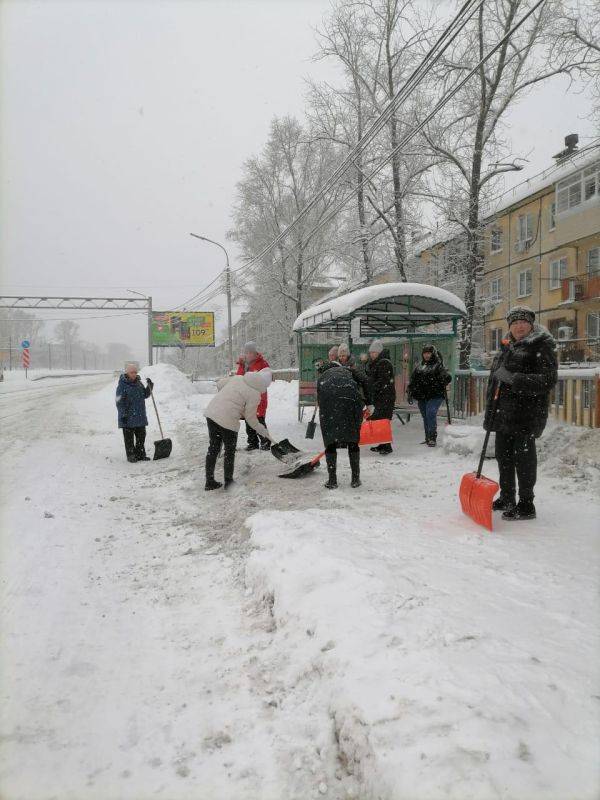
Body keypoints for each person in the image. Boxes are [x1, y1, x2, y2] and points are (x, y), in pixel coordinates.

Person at [484, 306, 558, 521]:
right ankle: (507, 497)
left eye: (523, 322)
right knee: (503, 458)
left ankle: (526, 504)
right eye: (515, 323)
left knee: (524, 460)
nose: (519, 326)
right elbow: (496, 382)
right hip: (503, 415)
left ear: (531, 324)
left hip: (526, 415)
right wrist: (491, 413)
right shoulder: (506, 346)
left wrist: (514, 378)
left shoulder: (541, 346)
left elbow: (548, 380)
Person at [203, 368, 273, 490]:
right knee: (229, 451)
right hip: (228, 419)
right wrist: (262, 431)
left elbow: (220, 384)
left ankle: (209, 481)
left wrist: (228, 399)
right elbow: (251, 420)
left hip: (212, 413)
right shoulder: (255, 394)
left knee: (213, 448)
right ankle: (228, 482)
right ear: (263, 385)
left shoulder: (238, 378)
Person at [317, 361, 373, 489]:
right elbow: (365, 380)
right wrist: (369, 403)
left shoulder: (322, 377)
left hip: (329, 407)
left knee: (330, 441)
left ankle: (332, 480)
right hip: (351, 404)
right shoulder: (349, 371)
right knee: (352, 440)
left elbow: (320, 399)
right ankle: (355, 479)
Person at [407, 345, 451, 447]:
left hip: (435, 395)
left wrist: (445, 378)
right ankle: (427, 437)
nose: (427, 355)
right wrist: (410, 390)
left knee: (430, 413)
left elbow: (447, 377)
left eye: (429, 353)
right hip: (422, 396)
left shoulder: (438, 366)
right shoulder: (419, 367)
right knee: (425, 416)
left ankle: (432, 437)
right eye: (425, 353)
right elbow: (413, 380)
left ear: (433, 354)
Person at [116, 362, 154, 463]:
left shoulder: (139, 383)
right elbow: (119, 401)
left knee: (141, 436)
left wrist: (150, 386)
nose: (134, 374)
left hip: (140, 415)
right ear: (127, 373)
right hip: (127, 416)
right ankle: (131, 455)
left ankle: (140, 454)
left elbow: (145, 395)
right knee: (129, 438)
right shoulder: (122, 385)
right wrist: (123, 414)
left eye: (135, 372)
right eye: (132, 372)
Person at [236, 342, 271, 451]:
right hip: (246, 398)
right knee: (248, 420)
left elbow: (265, 380)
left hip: (258, 398)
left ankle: (265, 442)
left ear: (256, 353)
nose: (249, 355)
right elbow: (239, 379)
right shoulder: (243, 365)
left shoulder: (262, 364)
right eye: (247, 352)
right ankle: (253, 443)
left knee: (258, 420)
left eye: (251, 352)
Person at [365, 339, 395, 455]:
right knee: (381, 421)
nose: (372, 355)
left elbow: (383, 381)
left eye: (374, 352)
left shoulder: (384, 363)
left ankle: (387, 446)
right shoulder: (378, 363)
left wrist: (372, 386)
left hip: (385, 397)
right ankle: (383, 444)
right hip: (382, 397)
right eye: (371, 353)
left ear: (379, 352)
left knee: (383, 420)